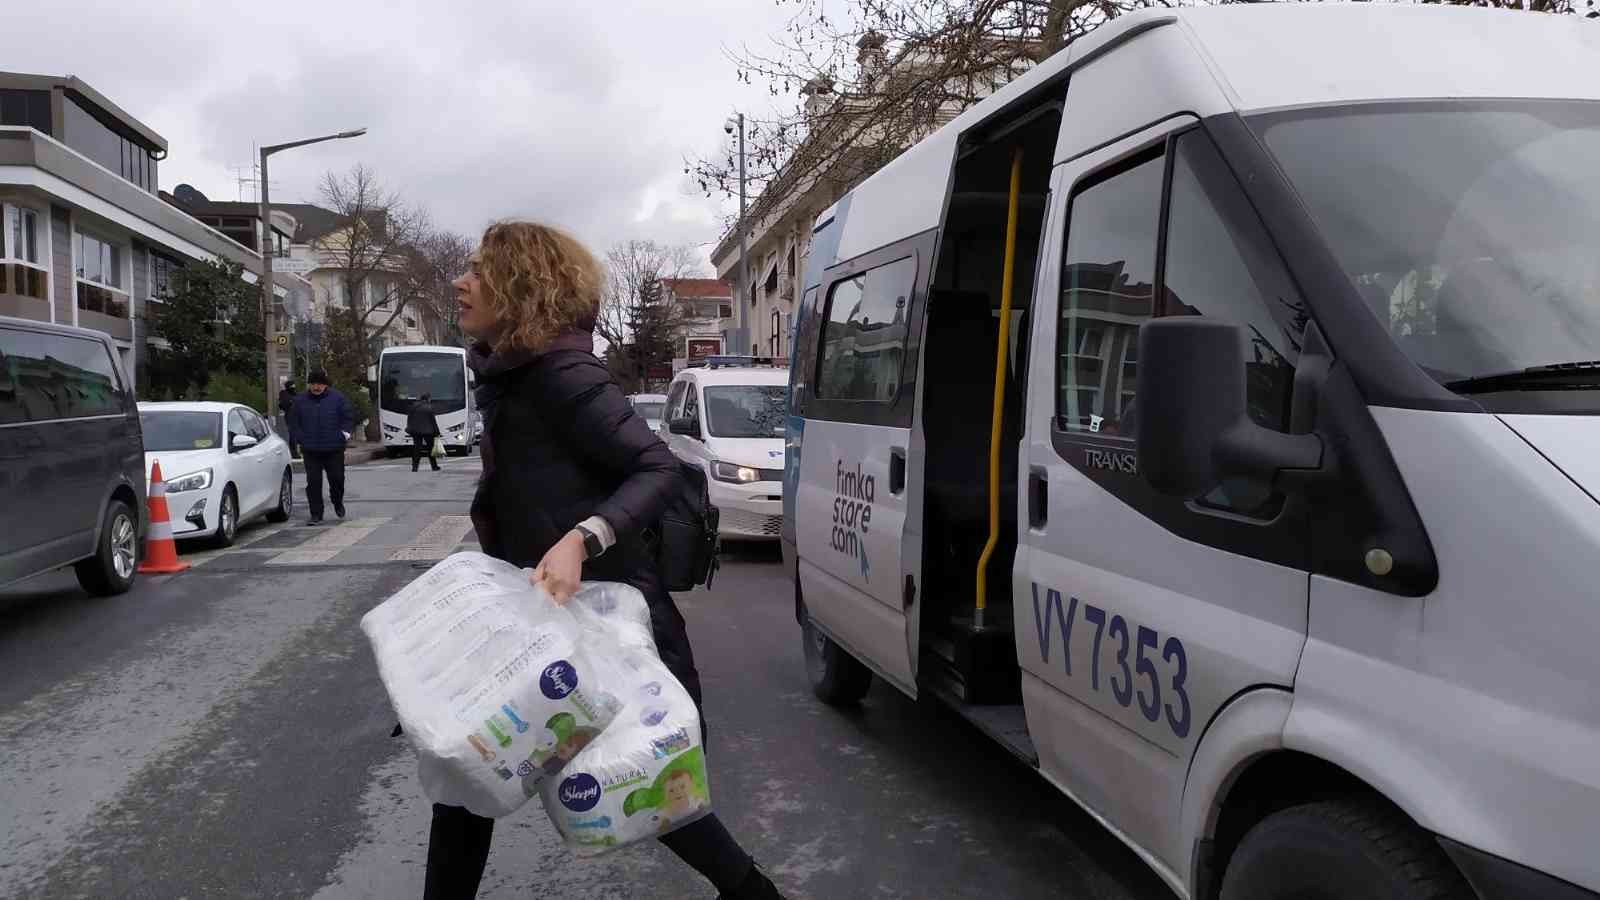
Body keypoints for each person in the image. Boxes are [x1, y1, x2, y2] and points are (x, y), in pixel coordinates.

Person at [424, 220, 782, 900]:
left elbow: (656, 467)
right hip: (539, 622)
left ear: (522, 285)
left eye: (477, 269)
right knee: (467, 781)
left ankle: (755, 893)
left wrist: (580, 538)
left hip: (602, 627)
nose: (459, 281)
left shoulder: (562, 374)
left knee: (647, 785)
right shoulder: (514, 376)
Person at [288, 370, 354, 526]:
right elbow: (293, 422)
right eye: (313, 384)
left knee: (337, 479)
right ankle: (316, 514)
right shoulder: (300, 401)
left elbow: (348, 417)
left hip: (334, 448)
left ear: (325, 385)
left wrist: (343, 435)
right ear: (309, 385)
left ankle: (337, 502)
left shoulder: (338, 398)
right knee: (313, 482)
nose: (316, 387)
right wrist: (300, 438)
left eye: (320, 384)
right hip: (311, 449)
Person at [407, 393, 442, 472]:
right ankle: (434, 466)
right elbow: (433, 422)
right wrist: (437, 432)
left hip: (416, 432)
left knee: (417, 449)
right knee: (430, 449)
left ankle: (415, 467)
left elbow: (409, 419)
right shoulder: (429, 408)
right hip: (428, 432)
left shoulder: (413, 407)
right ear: (428, 399)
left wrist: (409, 429)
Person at [277, 380, 301, 458]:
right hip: (290, 417)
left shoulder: (296, 394)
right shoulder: (284, 394)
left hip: (297, 417)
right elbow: (283, 404)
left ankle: (296, 451)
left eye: (293, 387)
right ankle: (293, 452)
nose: (293, 388)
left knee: (296, 435)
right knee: (292, 435)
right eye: (291, 387)